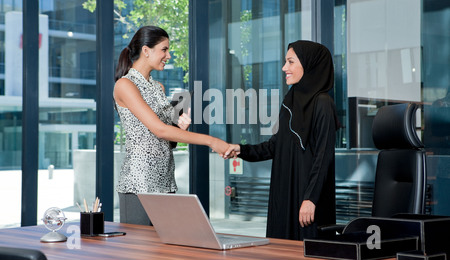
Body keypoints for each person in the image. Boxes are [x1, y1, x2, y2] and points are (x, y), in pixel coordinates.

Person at [114, 26, 229, 225]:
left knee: (163, 252)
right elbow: (159, 130)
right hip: (138, 183)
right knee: (139, 253)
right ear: (146, 50)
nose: (168, 55)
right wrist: (212, 141)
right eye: (164, 49)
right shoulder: (125, 85)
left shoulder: (158, 87)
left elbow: (164, 135)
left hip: (165, 181)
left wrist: (179, 128)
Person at [224, 40, 338, 240]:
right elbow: (275, 146)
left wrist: (311, 199)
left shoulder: (323, 103)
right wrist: (240, 149)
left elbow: (323, 156)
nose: (285, 68)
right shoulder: (290, 101)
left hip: (308, 199)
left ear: (309, 64)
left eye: (291, 62)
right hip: (285, 194)